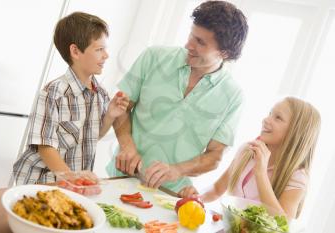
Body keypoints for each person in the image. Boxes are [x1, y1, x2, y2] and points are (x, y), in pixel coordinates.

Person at [106, 0, 249, 192]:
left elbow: (215, 155)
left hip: (170, 196)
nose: (188, 45)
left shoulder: (232, 96)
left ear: (224, 52)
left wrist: (177, 170)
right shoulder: (153, 57)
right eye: (192, 35)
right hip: (120, 178)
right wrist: (126, 145)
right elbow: (121, 108)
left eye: (200, 42)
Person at [10, 12, 129, 185]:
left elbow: (93, 136)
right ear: (75, 51)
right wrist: (71, 177)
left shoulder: (100, 93)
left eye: (105, 49)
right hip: (43, 181)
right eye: (99, 49)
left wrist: (110, 115)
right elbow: (45, 146)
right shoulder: (54, 92)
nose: (106, 55)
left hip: (72, 184)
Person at [179, 97, 321, 219]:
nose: (266, 120)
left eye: (278, 117)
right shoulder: (247, 151)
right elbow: (217, 189)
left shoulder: (297, 177)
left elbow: (282, 224)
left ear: (296, 133)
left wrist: (261, 172)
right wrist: (198, 197)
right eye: (270, 113)